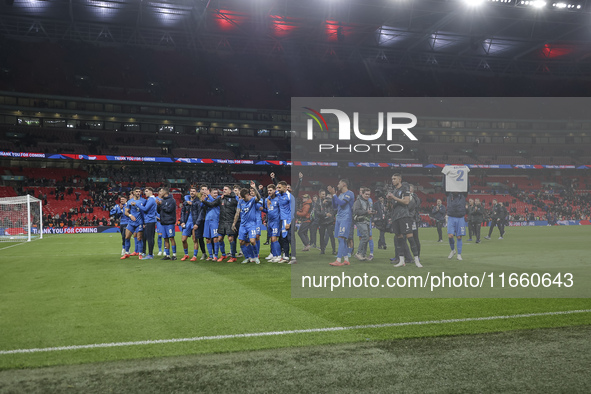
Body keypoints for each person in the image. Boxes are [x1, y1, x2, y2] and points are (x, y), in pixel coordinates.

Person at [387, 175, 421, 268]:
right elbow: (390, 208)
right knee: (399, 239)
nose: (393, 180)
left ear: (399, 179)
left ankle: (417, 260)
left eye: (394, 179)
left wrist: (394, 197)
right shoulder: (394, 191)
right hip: (395, 217)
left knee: (410, 237)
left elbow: (406, 202)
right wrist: (389, 201)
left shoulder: (405, 189)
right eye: (392, 179)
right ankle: (401, 260)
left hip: (404, 216)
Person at [202, 185, 239, 262]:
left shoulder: (234, 199)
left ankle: (233, 256)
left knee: (231, 239)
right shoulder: (220, 199)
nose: (224, 190)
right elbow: (211, 204)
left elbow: (239, 204)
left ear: (230, 191)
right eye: (223, 189)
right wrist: (204, 201)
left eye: (226, 189)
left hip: (230, 221)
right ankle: (223, 255)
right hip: (222, 222)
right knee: (220, 239)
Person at [233, 181, 261, 264]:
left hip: (251, 224)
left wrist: (255, 188)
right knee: (241, 241)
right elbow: (237, 213)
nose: (243, 199)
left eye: (243, 197)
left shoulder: (252, 200)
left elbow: (259, 198)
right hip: (242, 225)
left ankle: (256, 256)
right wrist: (234, 224)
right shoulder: (240, 202)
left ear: (247, 195)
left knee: (252, 241)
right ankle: (247, 257)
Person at [328, 179, 355, 267]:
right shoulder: (340, 195)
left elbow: (342, 203)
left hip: (346, 218)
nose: (337, 185)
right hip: (339, 218)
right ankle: (346, 260)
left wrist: (334, 195)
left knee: (341, 237)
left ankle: (338, 260)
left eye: (339, 183)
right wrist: (333, 196)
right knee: (340, 239)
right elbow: (335, 206)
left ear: (344, 184)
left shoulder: (349, 193)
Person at [121, 187, 145, 260]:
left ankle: (140, 254)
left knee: (139, 238)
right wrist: (130, 215)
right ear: (133, 192)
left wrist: (144, 222)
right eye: (136, 191)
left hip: (140, 222)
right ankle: (127, 253)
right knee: (127, 237)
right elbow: (126, 212)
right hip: (131, 222)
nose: (138, 193)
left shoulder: (144, 201)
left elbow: (145, 211)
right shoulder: (129, 202)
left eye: (139, 191)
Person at [179, 187, 200, 261]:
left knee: (194, 240)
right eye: (191, 191)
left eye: (194, 191)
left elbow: (199, 213)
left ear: (196, 193)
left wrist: (197, 223)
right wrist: (182, 221)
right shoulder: (186, 203)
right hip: (187, 223)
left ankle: (194, 256)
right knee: (183, 239)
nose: (192, 192)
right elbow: (182, 213)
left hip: (194, 222)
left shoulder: (198, 202)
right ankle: (186, 255)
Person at [275, 180, 293, 263]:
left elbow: (292, 210)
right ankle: (285, 257)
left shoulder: (289, 196)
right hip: (281, 220)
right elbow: (271, 193)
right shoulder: (279, 194)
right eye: (277, 187)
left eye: (279, 187)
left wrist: (289, 222)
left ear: (285, 187)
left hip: (287, 220)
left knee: (288, 239)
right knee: (283, 239)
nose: (277, 189)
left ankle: (293, 257)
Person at [353, 187, 374, 261]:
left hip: (367, 221)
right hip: (360, 221)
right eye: (366, 194)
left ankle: (363, 255)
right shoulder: (358, 201)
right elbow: (356, 211)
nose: (367, 196)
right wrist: (366, 212)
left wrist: (372, 212)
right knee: (365, 237)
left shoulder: (367, 201)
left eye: (369, 194)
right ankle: (358, 253)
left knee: (367, 237)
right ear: (362, 194)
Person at [157, 186, 177, 260]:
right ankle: (167, 255)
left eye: (161, 191)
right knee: (165, 239)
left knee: (171, 238)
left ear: (165, 192)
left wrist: (161, 204)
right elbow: (159, 211)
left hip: (170, 222)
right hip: (163, 222)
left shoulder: (172, 200)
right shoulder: (162, 201)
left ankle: (174, 255)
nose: (160, 193)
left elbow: (169, 209)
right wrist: (158, 205)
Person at [446, 191, 467, 261]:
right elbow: (444, 186)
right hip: (451, 217)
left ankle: (459, 254)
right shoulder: (449, 195)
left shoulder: (463, 195)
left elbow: (467, 186)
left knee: (459, 236)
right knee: (450, 235)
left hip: (460, 217)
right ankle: (453, 250)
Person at [263, 184, 282, 262]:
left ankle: (279, 255)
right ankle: (274, 256)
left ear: (275, 190)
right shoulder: (267, 199)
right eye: (268, 190)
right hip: (270, 222)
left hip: (276, 222)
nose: (269, 192)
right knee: (272, 239)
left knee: (274, 238)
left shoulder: (278, 199)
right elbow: (267, 211)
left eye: (271, 190)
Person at [201, 187, 221, 260]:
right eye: (214, 193)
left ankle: (215, 255)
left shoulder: (218, 199)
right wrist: (205, 198)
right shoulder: (208, 200)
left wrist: (208, 195)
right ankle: (210, 255)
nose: (216, 194)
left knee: (215, 239)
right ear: (211, 193)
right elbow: (201, 205)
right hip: (207, 220)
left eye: (216, 193)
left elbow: (213, 203)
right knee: (207, 239)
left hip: (215, 220)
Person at [138, 187, 158, 260]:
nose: (145, 193)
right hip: (150, 220)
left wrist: (138, 205)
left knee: (150, 238)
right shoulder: (151, 200)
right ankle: (150, 253)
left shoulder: (151, 200)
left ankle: (150, 254)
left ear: (151, 191)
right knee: (149, 237)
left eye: (146, 191)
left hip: (150, 221)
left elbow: (145, 209)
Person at [317, 190, 336, 255]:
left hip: (329, 221)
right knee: (321, 236)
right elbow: (317, 213)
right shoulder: (317, 203)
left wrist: (327, 200)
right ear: (319, 195)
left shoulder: (328, 199)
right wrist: (325, 214)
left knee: (331, 236)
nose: (324, 195)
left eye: (324, 194)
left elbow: (333, 201)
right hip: (322, 222)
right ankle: (322, 250)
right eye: (322, 194)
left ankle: (334, 250)